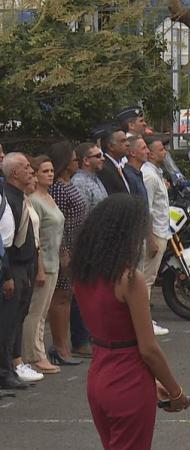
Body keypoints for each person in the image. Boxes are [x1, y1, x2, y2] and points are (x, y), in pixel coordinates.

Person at [72, 194, 189, 450]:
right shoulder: (129, 279)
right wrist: (176, 391)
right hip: (128, 379)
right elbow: (148, 348)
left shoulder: (82, 271)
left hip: (100, 375)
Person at [22, 156, 64, 376]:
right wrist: (38, 268)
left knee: (43, 311)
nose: (50, 174)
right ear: (36, 174)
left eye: (52, 170)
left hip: (54, 260)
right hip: (43, 262)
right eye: (45, 170)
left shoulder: (49, 197)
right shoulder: (34, 200)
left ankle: (39, 354)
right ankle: (33, 355)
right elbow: (34, 237)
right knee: (35, 312)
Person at [47, 143, 88, 364]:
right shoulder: (58, 189)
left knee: (68, 296)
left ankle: (65, 346)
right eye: (73, 160)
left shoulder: (69, 184)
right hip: (65, 247)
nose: (77, 162)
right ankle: (60, 346)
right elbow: (59, 221)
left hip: (76, 245)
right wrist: (63, 252)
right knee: (61, 297)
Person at [0, 152, 36, 389]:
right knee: (7, 322)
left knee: (17, 319)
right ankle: (5, 372)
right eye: (26, 167)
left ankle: (11, 367)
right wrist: (8, 275)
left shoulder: (21, 197)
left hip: (26, 266)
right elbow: (7, 241)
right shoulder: (9, 199)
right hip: (13, 266)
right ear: (14, 173)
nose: (30, 170)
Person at [142, 136, 172, 337]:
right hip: (156, 233)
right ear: (151, 154)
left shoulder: (155, 173)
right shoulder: (149, 176)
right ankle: (143, 322)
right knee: (146, 279)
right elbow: (148, 209)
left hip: (162, 230)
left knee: (148, 279)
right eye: (161, 149)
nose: (165, 153)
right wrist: (151, 238)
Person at [71, 142, 108, 213]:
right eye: (98, 156)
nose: (103, 158)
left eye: (102, 155)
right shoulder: (79, 183)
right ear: (86, 161)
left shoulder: (95, 177)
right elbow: (82, 214)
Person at [97, 128, 130, 195]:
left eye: (127, 140)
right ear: (111, 146)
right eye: (123, 141)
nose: (128, 144)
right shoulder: (105, 169)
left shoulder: (118, 166)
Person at [123, 135, 149, 200]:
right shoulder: (129, 176)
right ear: (132, 153)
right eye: (144, 148)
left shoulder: (138, 174)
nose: (148, 151)